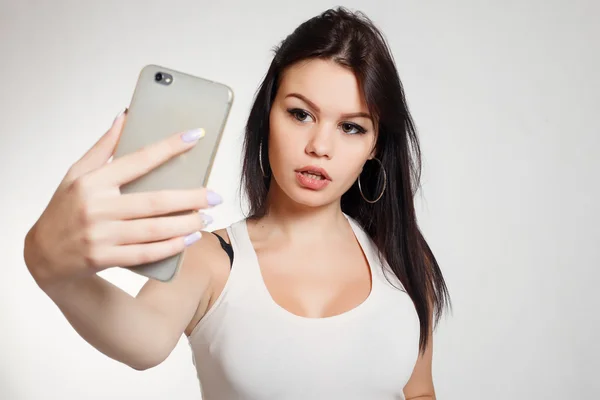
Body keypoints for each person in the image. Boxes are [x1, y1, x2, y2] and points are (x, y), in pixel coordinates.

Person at [23, 7, 451, 400]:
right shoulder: (211, 260)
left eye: (352, 128)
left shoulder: (405, 261)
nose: (320, 146)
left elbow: (418, 391)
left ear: (377, 144)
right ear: (268, 116)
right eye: (300, 114)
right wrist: (49, 264)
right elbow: (141, 341)